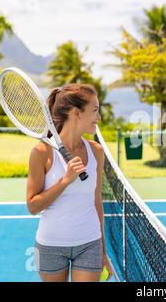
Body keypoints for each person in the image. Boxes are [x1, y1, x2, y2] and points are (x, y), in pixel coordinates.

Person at [26, 84, 112, 282]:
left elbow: (96, 202)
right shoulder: (41, 153)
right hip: (51, 245)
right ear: (76, 113)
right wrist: (65, 181)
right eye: (95, 110)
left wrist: (103, 251)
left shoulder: (96, 151)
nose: (99, 117)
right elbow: (32, 205)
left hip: (90, 243)